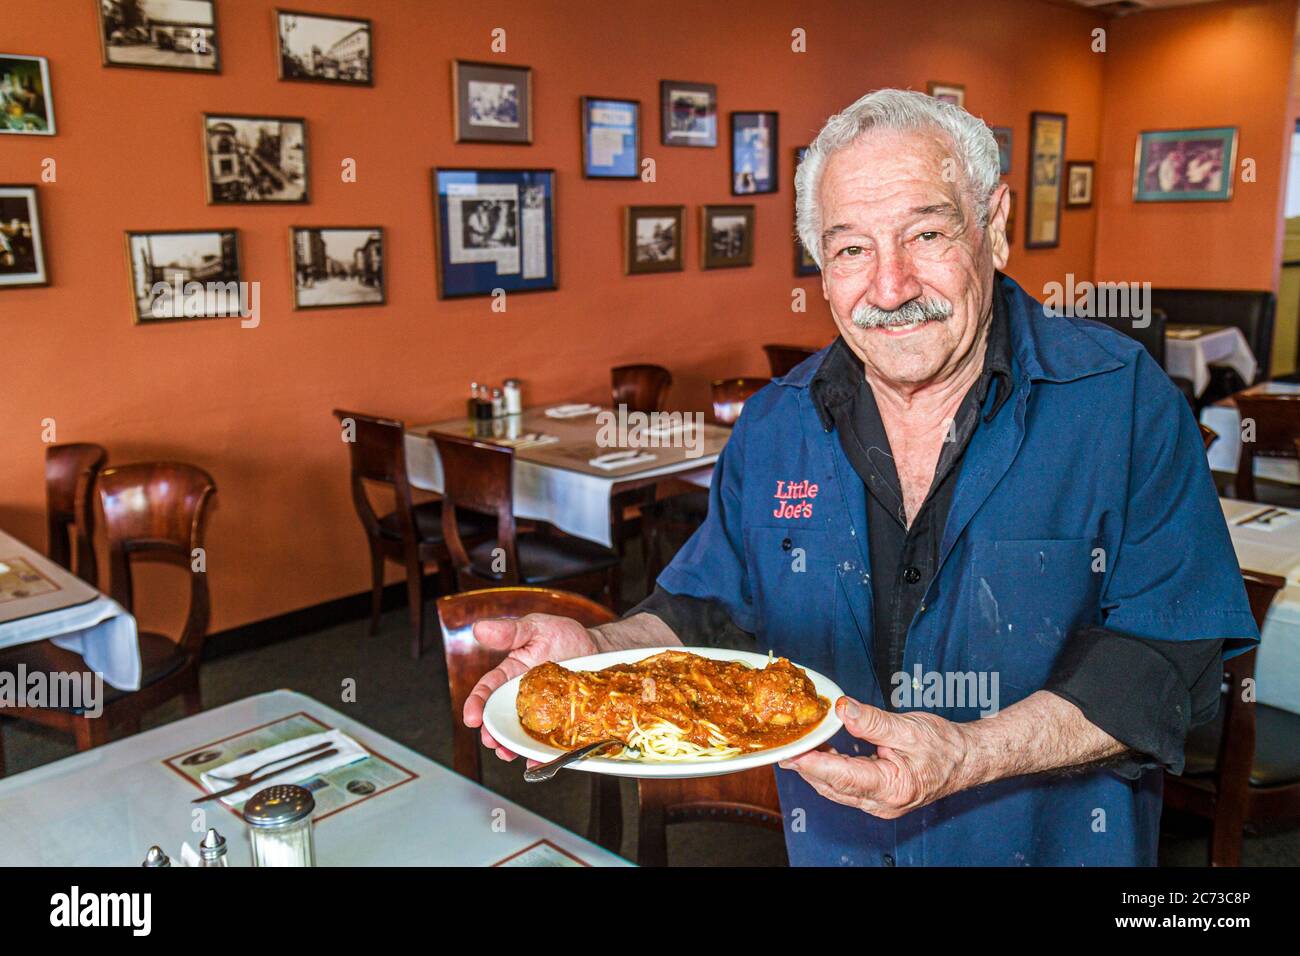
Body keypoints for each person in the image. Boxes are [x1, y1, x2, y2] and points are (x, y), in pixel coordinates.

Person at [463, 89, 1256, 866]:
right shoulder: (777, 423)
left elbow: (1166, 652)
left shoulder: (1121, 402)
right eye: (851, 249)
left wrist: (970, 754)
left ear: (996, 226)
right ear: (821, 264)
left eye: (925, 234)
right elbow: (707, 613)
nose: (890, 287)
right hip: (834, 846)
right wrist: (599, 649)